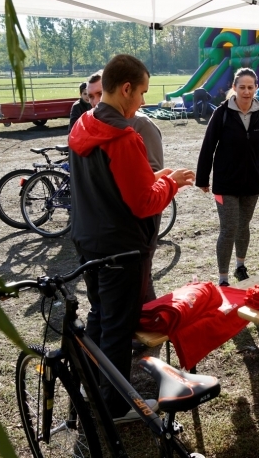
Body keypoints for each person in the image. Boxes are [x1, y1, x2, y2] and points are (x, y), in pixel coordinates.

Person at [68, 54, 195, 423]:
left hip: (88, 241)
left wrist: (157, 179)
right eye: (142, 92)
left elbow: (120, 188)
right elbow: (143, 203)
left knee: (100, 317)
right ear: (126, 89)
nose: (143, 101)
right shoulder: (124, 137)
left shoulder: (82, 124)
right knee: (119, 330)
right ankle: (114, 406)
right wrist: (171, 182)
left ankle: (90, 384)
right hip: (121, 250)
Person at [195, 67, 259, 287]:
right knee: (228, 228)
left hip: (252, 181)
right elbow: (208, 147)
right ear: (234, 87)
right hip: (225, 183)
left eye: (251, 87)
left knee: (244, 226)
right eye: (242, 87)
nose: (247, 91)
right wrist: (202, 178)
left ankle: (240, 266)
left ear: (256, 88)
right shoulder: (221, 113)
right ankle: (222, 278)